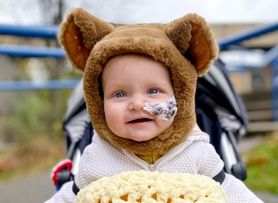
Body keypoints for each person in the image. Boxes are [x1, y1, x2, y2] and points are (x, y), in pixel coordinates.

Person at [46, 8, 262, 202]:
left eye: (153, 91)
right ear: (99, 103)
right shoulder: (97, 157)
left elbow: (232, 191)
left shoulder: (197, 151)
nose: (137, 104)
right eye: (120, 94)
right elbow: (68, 198)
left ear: (180, 96)